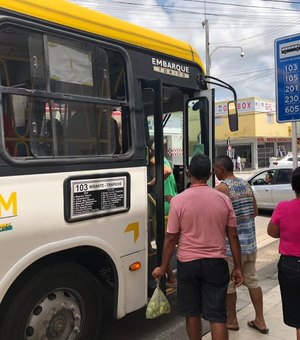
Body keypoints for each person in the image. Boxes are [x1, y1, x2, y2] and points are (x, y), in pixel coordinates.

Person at [153, 154, 243, 340]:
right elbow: (233, 235)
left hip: (188, 265)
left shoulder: (178, 201)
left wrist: (163, 267)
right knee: (217, 315)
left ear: (188, 173)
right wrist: (238, 267)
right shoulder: (223, 200)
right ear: (210, 174)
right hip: (216, 264)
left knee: (192, 313)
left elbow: (171, 238)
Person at [214, 155, 269, 334]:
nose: (214, 172)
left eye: (216, 169)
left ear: (221, 169)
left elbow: (215, 218)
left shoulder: (221, 189)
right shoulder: (246, 185)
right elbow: (254, 211)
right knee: (252, 280)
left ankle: (232, 320)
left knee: (230, 284)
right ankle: (260, 319)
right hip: (251, 244)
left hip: (231, 247)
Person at [267, 167, 300, 340]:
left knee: (297, 315)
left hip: (291, 266)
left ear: (293, 187)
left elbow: (272, 232)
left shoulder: (282, 208)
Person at [147, 141, 177, 287]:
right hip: (170, 205)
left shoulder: (154, 159)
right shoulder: (165, 159)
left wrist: (152, 183)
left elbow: (166, 171)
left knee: (164, 244)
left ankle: (171, 278)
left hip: (162, 207)